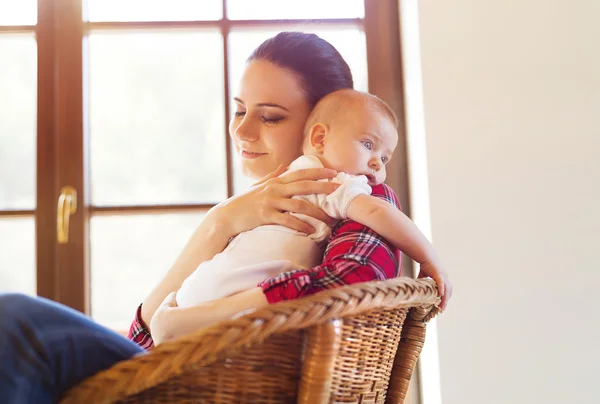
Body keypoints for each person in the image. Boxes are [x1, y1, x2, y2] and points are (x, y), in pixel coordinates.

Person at [0, 32, 452, 403]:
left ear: (321, 128)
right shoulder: (250, 210)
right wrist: (220, 223)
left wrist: (221, 310)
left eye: (270, 117)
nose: (241, 129)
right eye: (240, 110)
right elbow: (148, 332)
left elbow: (350, 284)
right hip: (171, 365)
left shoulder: (357, 197)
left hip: (216, 380)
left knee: (17, 321)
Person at [175, 89, 448, 318]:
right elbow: (377, 212)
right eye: (368, 144)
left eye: (385, 158)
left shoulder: (292, 177)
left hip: (201, 288)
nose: (377, 162)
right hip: (235, 293)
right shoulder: (330, 181)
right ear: (320, 139)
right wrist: (427, 256)